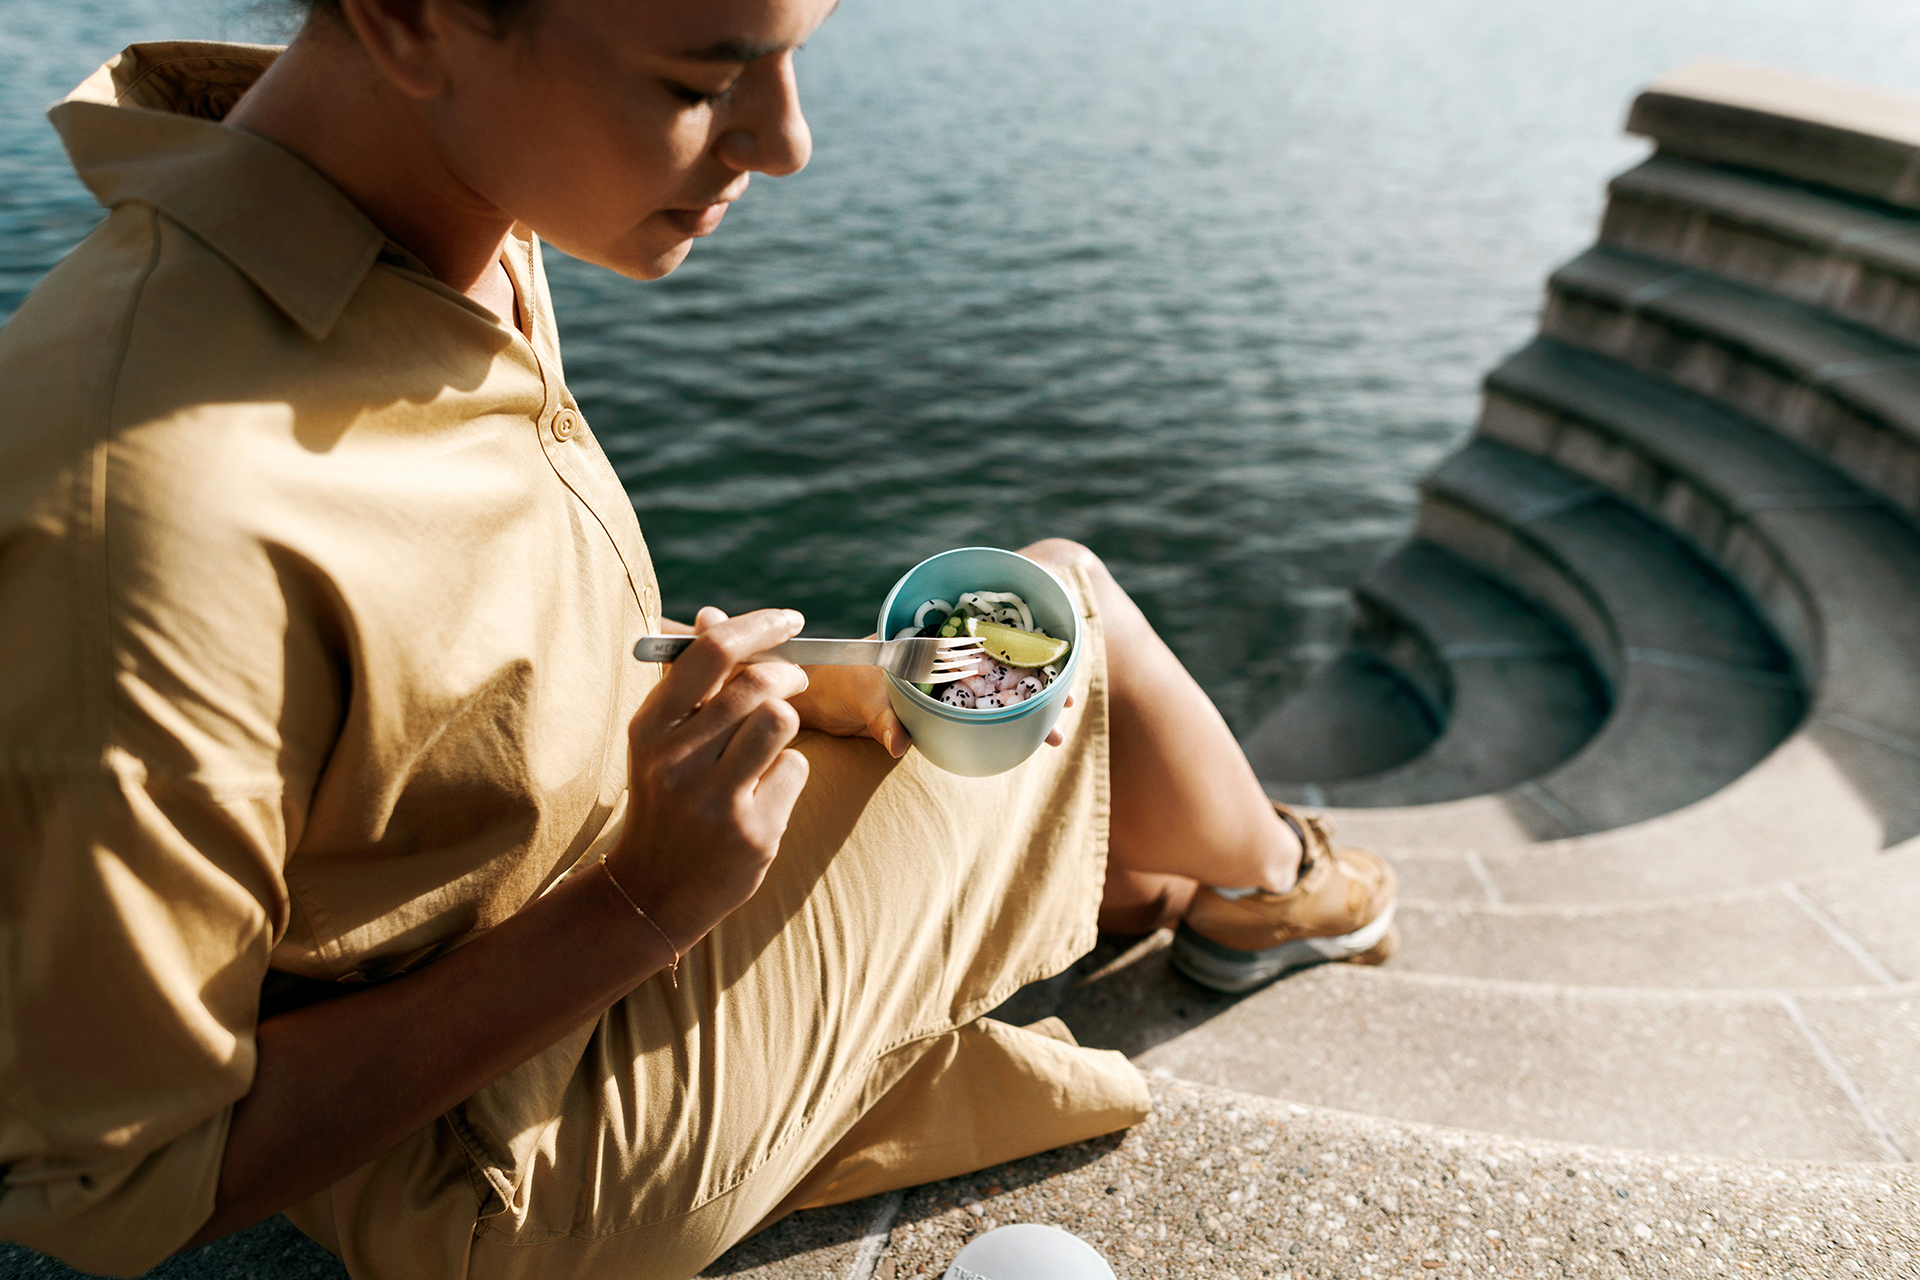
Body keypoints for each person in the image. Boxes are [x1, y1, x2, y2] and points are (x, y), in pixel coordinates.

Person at [0, 1, 1398, 1276]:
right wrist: (644, 907)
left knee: (934, 667)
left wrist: (755, 682)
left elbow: (422, 675)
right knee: (1052, 610)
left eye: (794, 54)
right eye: (705, 76)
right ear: (413, 20)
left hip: (541, 946)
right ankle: (1272, 886)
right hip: (511, 1166)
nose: (786, 143)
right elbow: (112, 1186)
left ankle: (1136, 869)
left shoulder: (431, 222)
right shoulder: (152, 512)